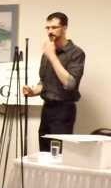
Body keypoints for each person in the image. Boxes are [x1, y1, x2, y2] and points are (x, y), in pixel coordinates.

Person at [22, 12, 85, 151]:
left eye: (54, 27)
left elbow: (70, 84)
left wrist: (52, 56)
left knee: (59, 155)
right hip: (47, 109)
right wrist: (32, 91)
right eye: (48, 28)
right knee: (44, 153)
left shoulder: (76, 53)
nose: (50, 31)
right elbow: (43, 83)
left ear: (64, 28)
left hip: (64, 110)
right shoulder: (47, 53)